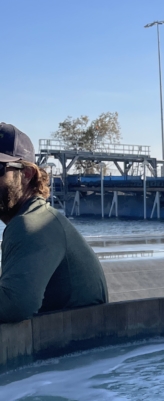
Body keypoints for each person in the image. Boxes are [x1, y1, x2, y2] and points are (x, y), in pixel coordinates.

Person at [0, 123, 108, 323]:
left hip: (75, 349)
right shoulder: (39, 217)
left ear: (27, 174)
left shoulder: (31, 225)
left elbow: (14, 305)